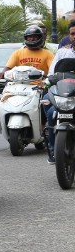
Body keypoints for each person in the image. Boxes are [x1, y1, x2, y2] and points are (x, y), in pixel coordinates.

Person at [45, 24, 75, 163]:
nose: (74, 36)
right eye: (72, 33)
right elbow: (52, 74)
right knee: (50, 109)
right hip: (64, 93)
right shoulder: (62, 53)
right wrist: (46, 83)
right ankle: (53, 149)